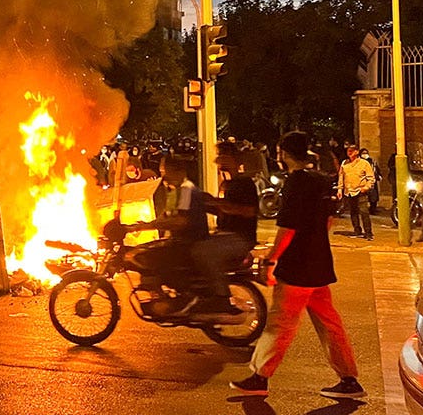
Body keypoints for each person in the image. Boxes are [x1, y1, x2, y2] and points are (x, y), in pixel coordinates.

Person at [231, 131, 363, 400]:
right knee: (329, 324)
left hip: (296, 268)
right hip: (319, 264)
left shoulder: (295, 183)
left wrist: (271, 258)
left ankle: (259, 377)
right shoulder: (321, 180)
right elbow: (328, 221)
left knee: (280, 323)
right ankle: (349, 379)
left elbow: (288, 228)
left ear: (284, 154)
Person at [122, 155, 212, 313]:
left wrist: (149, 226)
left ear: (178, 171)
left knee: (156, 259)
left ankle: (179, 299)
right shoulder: (174, 191)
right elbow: (165, 217)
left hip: (189, 242)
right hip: (178, 240)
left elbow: (180, 221)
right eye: (162, 171)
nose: (163, 176)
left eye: (166, 171)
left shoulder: (185, 190)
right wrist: (141, 226)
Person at [197, 146, 259, 314]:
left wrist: (217, 203)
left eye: (224, 156)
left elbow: (248, 211)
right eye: (219, 156)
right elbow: (222, 210)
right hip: (223, 236)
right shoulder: (226, 184)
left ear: (235, 160)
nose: (220, 160)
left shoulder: (245, 183)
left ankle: (222, 298)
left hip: (239, 238)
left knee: (203, 252)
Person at [337, 143, 375, 240]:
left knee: (364, 212)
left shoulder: (364, 163)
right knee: (353, 212)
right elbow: (341, 176)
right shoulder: (344, 163)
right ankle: (357, 230)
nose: (349, 153)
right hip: (349, 191)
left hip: (360, 191)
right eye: (348, 151)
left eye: (351, 151)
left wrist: (366, 187)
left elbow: (371, 178)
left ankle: (368, 232)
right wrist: (340, 189)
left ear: (356, 152)